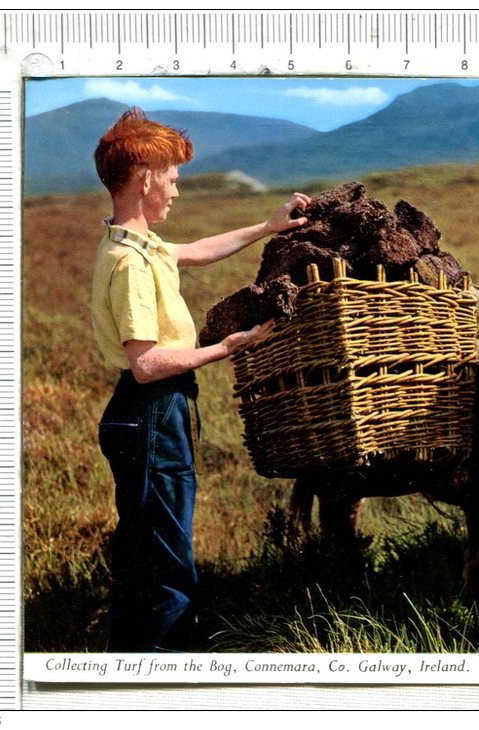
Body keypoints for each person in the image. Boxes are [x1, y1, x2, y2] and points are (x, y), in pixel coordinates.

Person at [91, 107, 311, 651]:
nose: (176, 191)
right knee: (168, 566)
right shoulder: (130, 264)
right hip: (151, 412)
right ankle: (167, 675)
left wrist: (268, 226)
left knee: (146, 553)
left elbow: (197, 251)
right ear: (145, 180)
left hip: (150, 414)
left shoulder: (137, 246)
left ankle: (131, 666)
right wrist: (226, 348)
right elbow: (146, 364)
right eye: (172, 179)